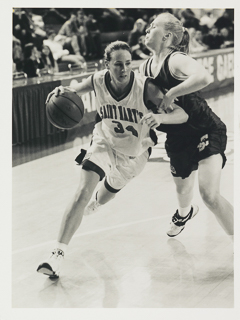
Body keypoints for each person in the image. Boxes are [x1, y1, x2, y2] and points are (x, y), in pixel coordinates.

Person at [37, 40, 189, 278]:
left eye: (128, 63)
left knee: (105, 194)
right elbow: (75, 87)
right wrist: (61, 91)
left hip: (135, 153)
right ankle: (57, 254)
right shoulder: (99, 80)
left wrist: (161, 119)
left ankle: (96, 203)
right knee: (81, 192)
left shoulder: (146, 88)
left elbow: (182, 113)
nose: (124, 69)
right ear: (107, 64)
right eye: (118, 64)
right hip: (104, 142)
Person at [139, 12, 233, 238]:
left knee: (209, 195)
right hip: (177, 137)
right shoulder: (145, 67)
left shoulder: (176, 59)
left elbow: (204, 77)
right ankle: (184, 213)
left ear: (166, 36)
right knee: (182, 190)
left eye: (153, 26)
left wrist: (172, 93)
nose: (147, 29)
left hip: (205, 130)